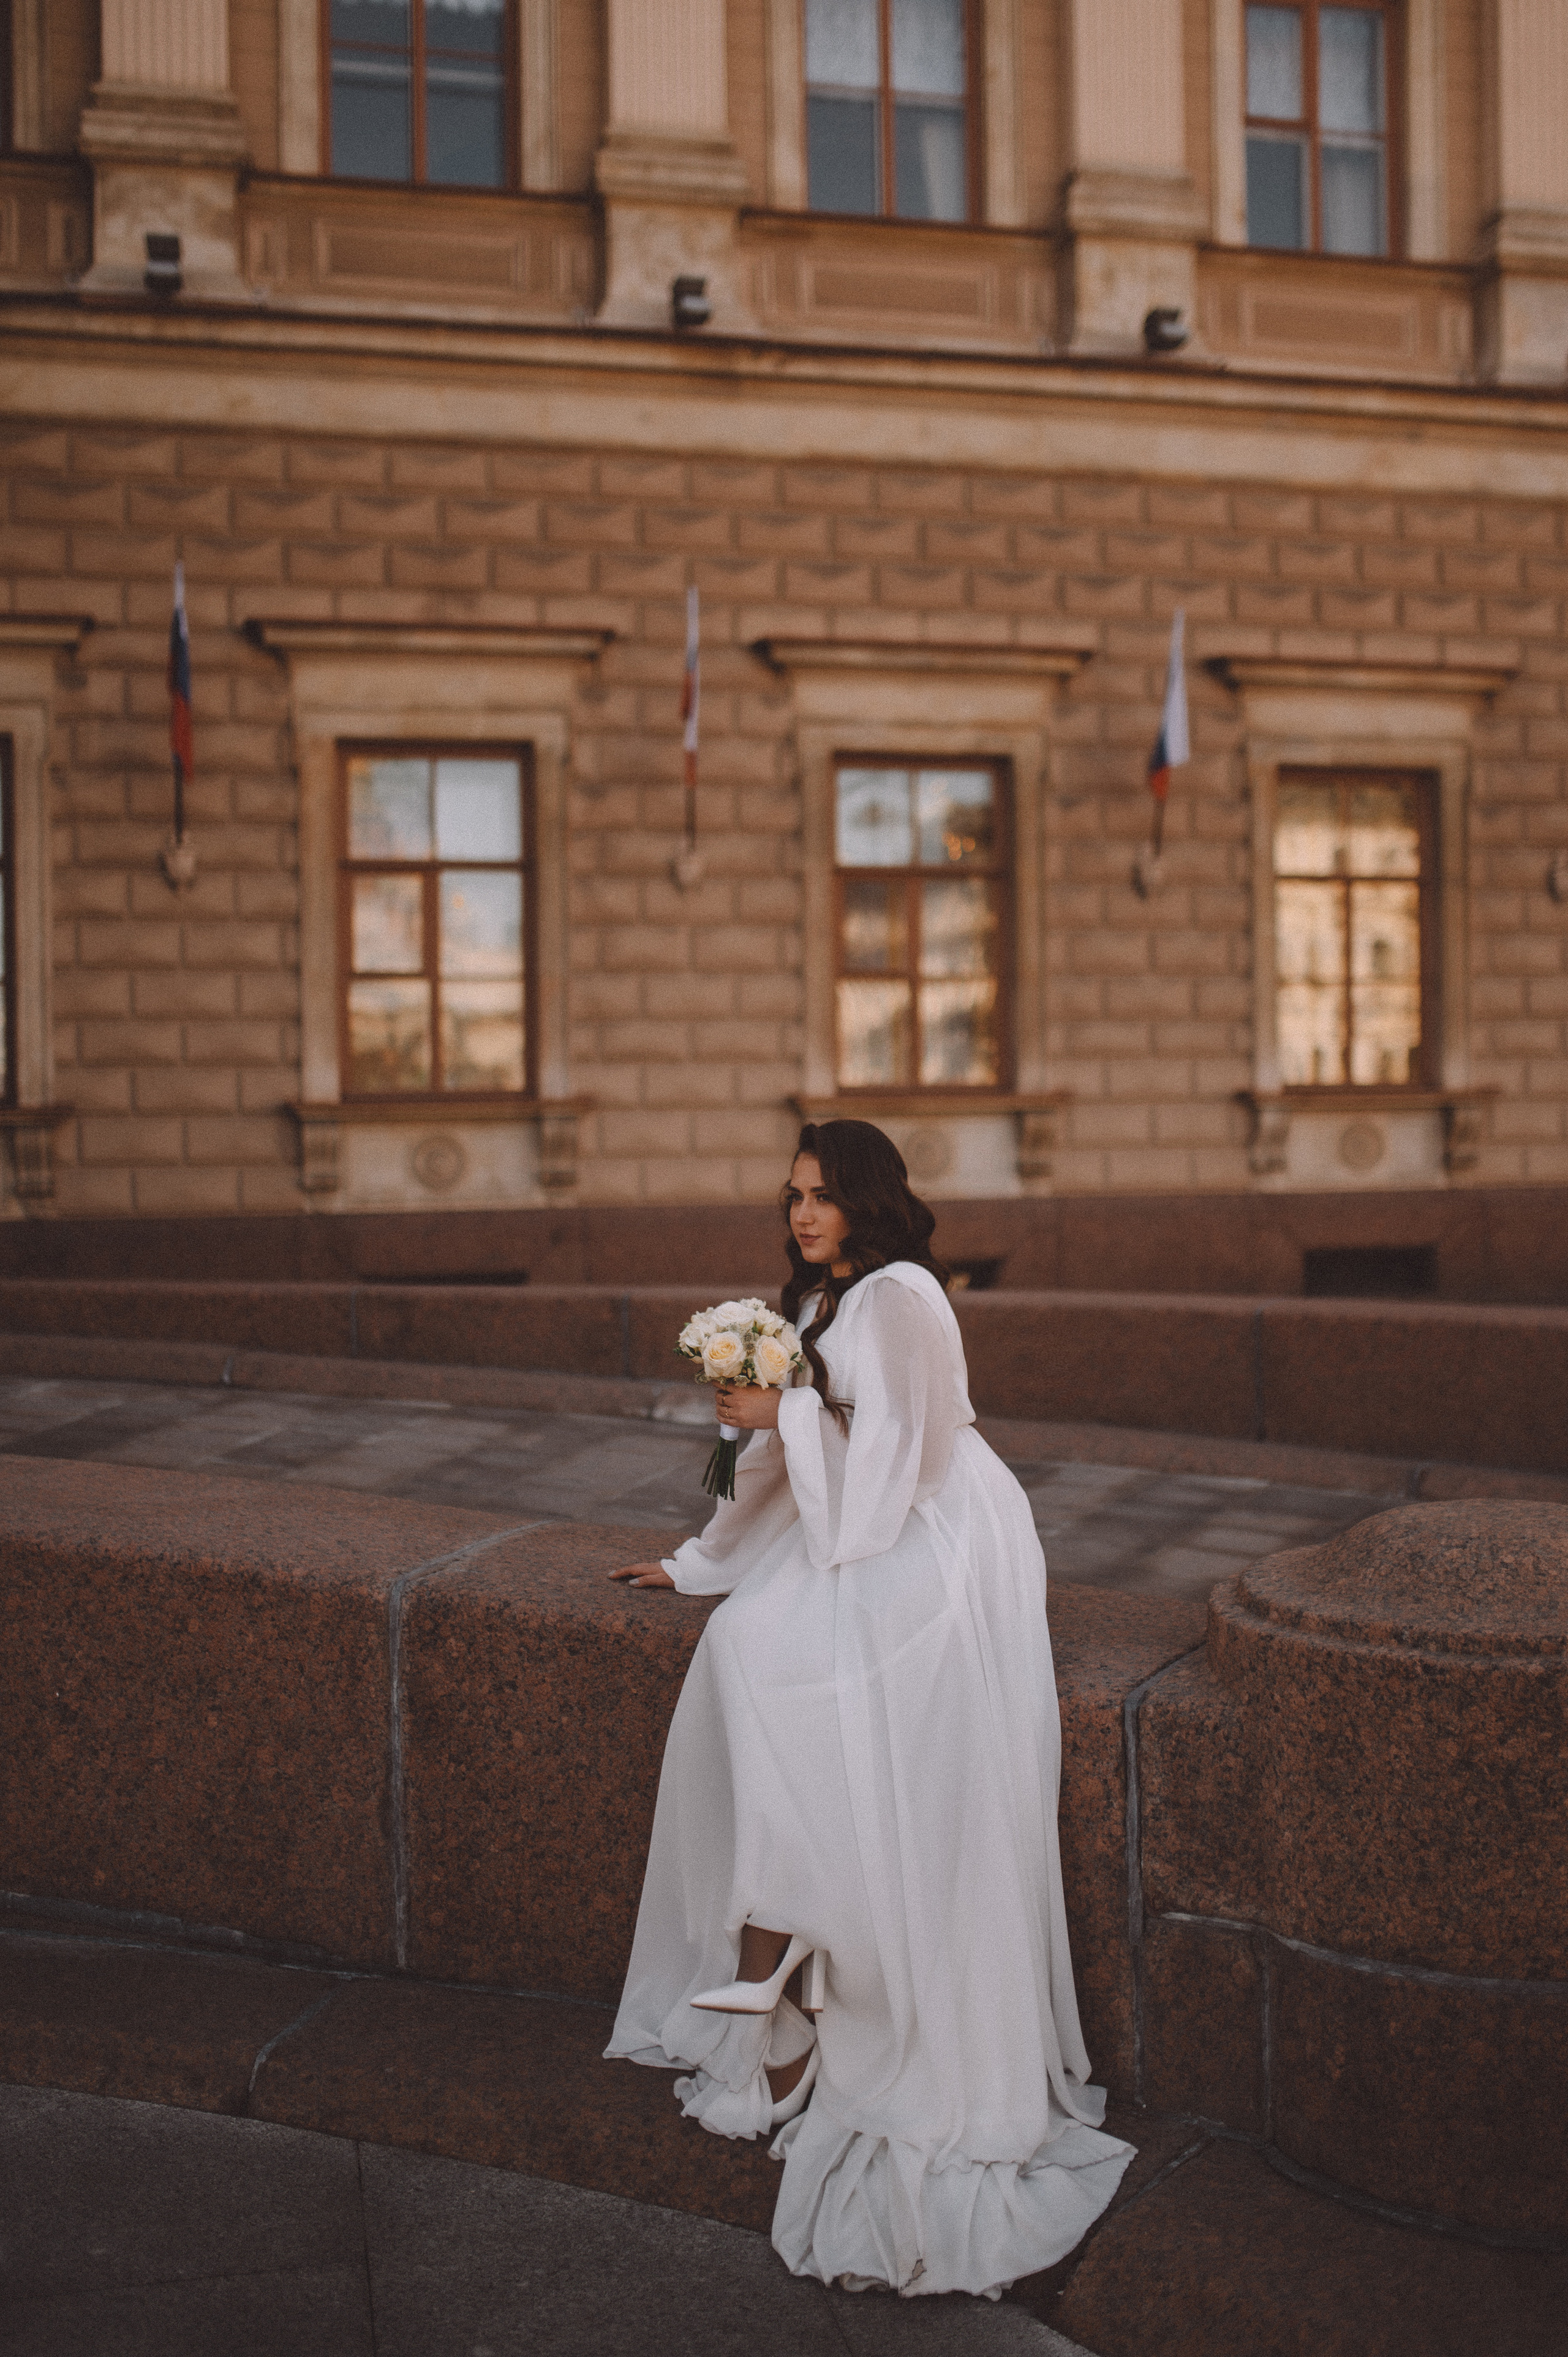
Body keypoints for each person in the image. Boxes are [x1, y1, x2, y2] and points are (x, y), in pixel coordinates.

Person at [605, 1120, 1133, 2299]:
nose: (803, 1214)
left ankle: (801, 1972)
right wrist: (700, 1559)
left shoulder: (903, 1296)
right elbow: (790, 1465)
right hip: (859, 1523)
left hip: (936, 1537)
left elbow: (895, 1458)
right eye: (793, 1195)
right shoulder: (819, 1302)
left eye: (826, 1195)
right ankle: (783, 1970)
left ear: (871, 1200)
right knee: (741, 1650)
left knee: (783, 1668)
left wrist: (778, 1414)